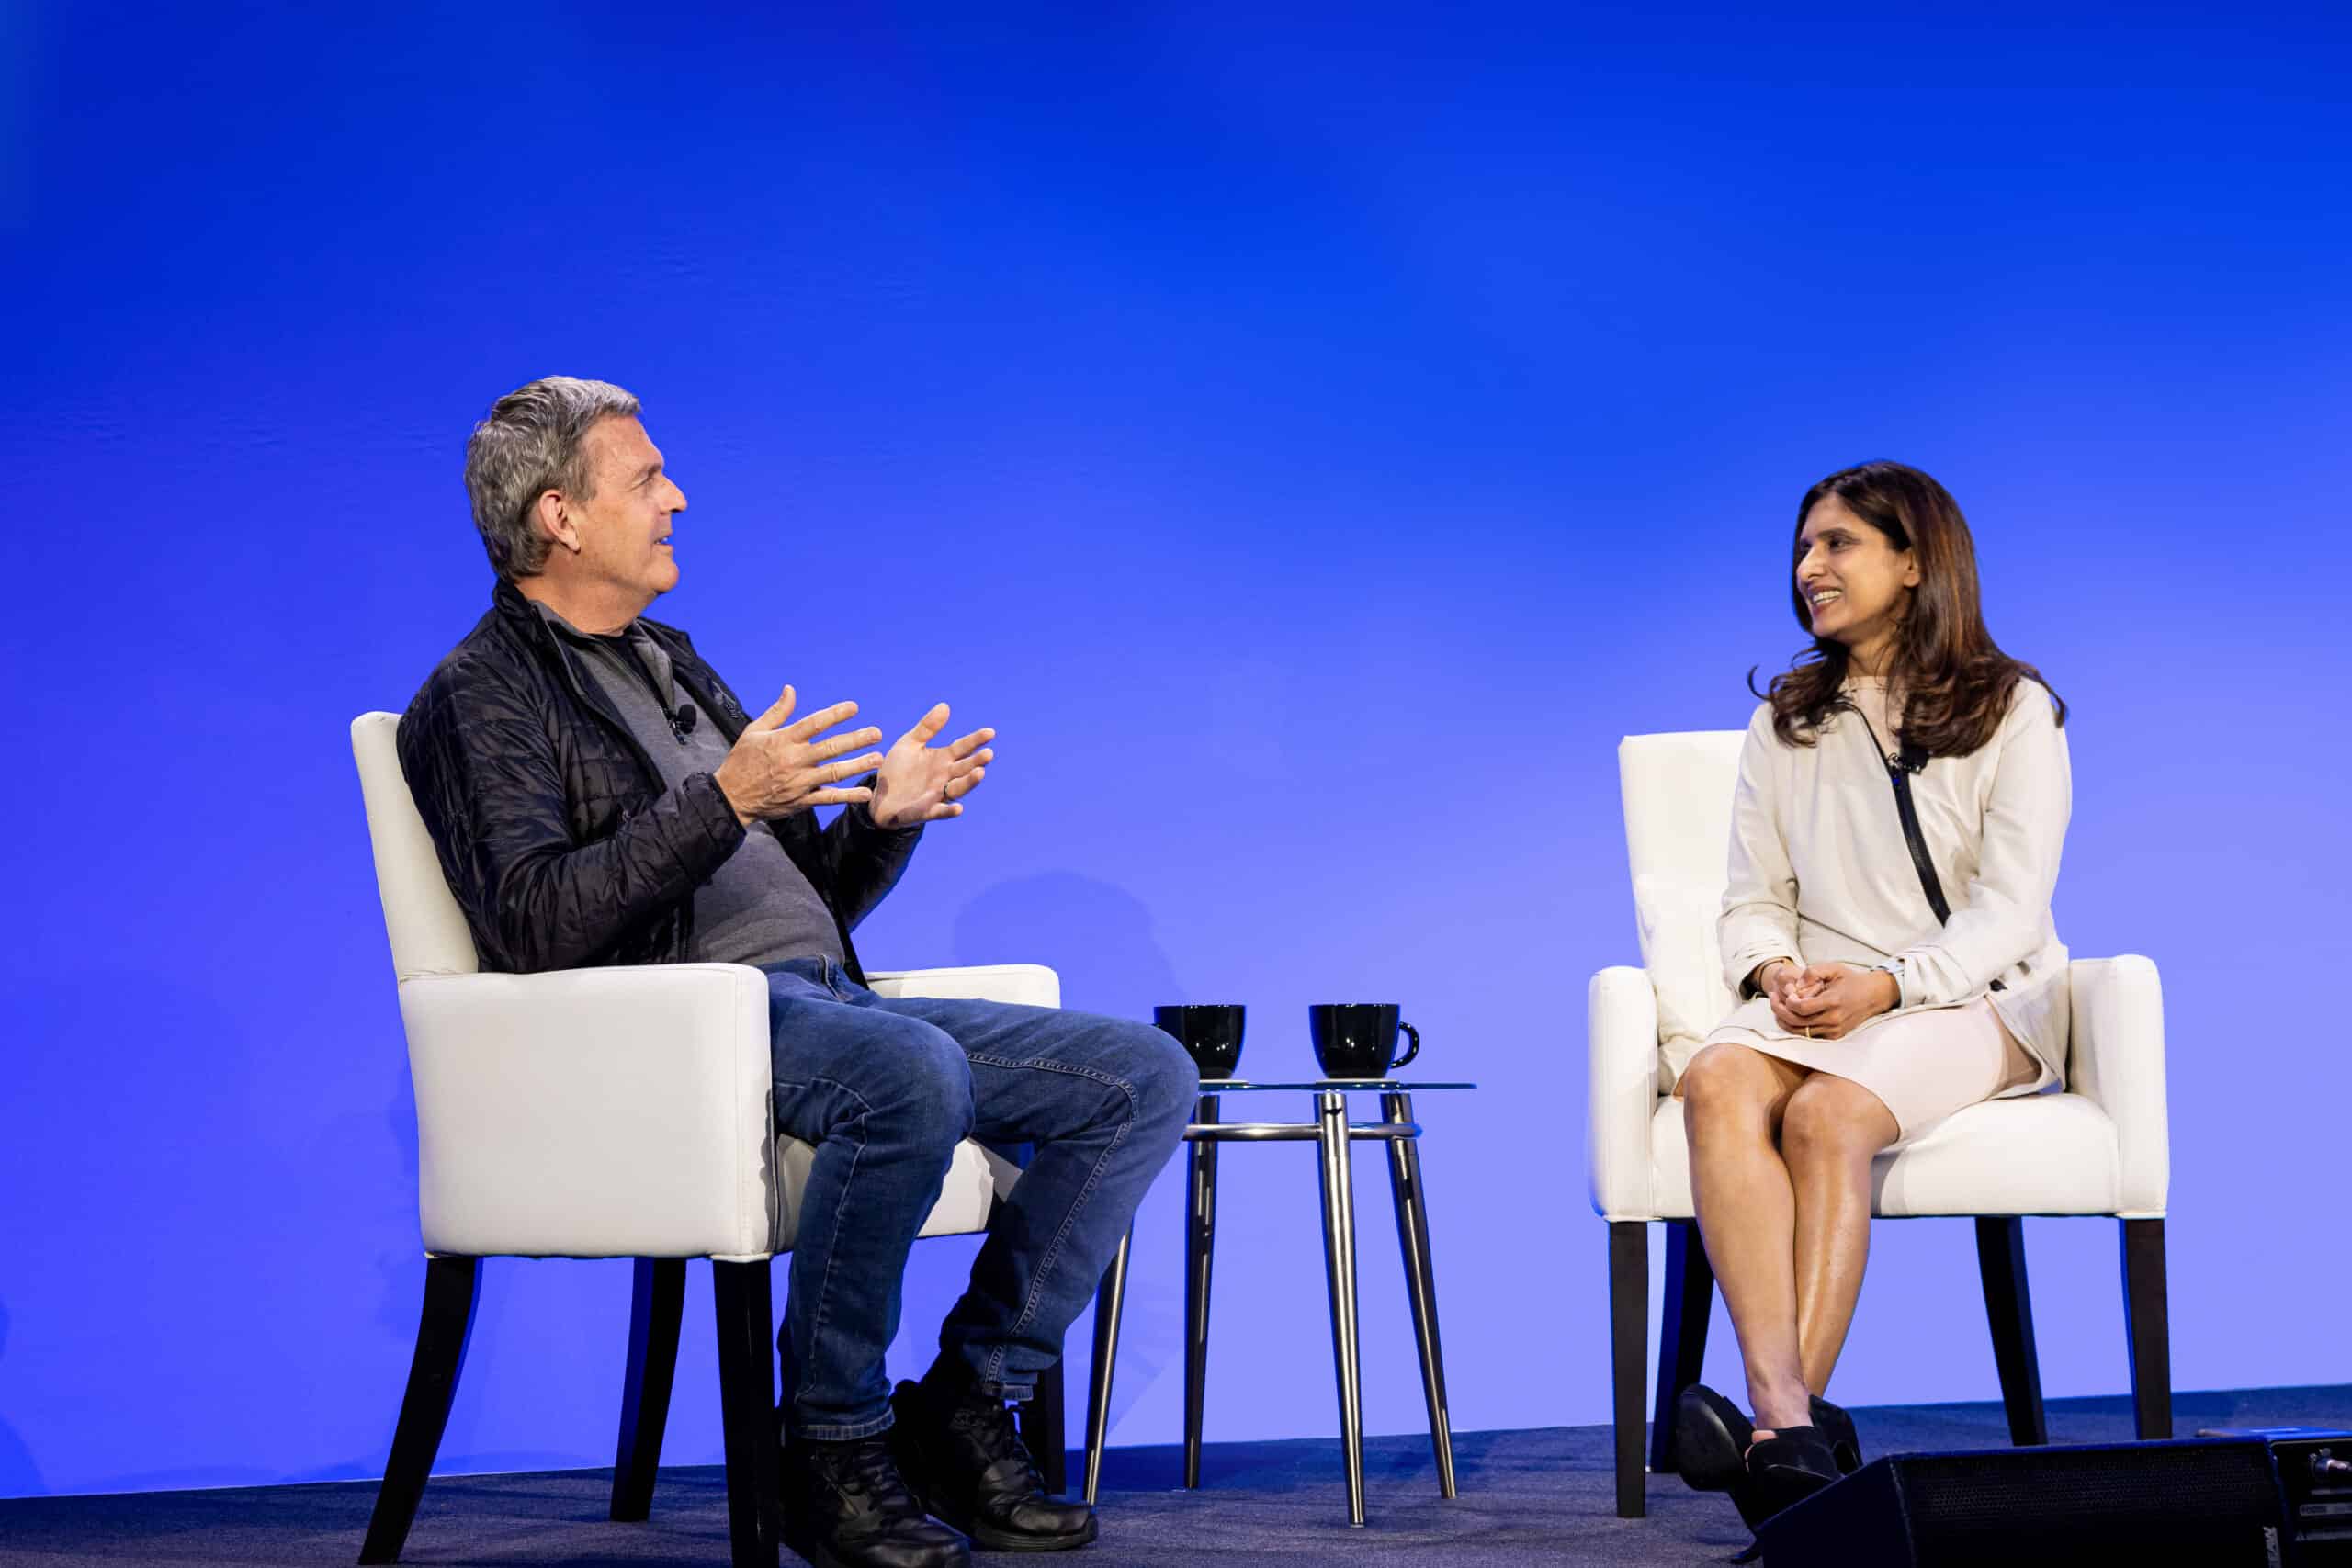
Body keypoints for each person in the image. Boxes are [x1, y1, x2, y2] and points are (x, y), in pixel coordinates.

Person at [397, 376, 1198, 1568]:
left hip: (822, 1002)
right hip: (681, 1029)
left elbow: (800, 903)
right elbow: (532, 923)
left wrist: (880, 821)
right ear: (558, 515)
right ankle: (830, 1443)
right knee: (910, 1070)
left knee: (1143, 1076)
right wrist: (724, 798)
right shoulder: (479, 695)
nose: (676, 497)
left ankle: (965, 1399)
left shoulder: (667, 661)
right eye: (645, 478)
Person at [1668, 461, 2070, 1529]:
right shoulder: (1786, 721)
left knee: (1826, 1114)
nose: (1810, 566)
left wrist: (1892, 982)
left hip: (1979, 1000)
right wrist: (1773, 970)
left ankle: (1770, 1429)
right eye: (1803, 547)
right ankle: (1788, 1425)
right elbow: (1752, 897)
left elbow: (2010, 910)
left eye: (1837, 543)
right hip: (1823, 995)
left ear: (1914, 560)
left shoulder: (2013, 708)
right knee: (1715, 1076)